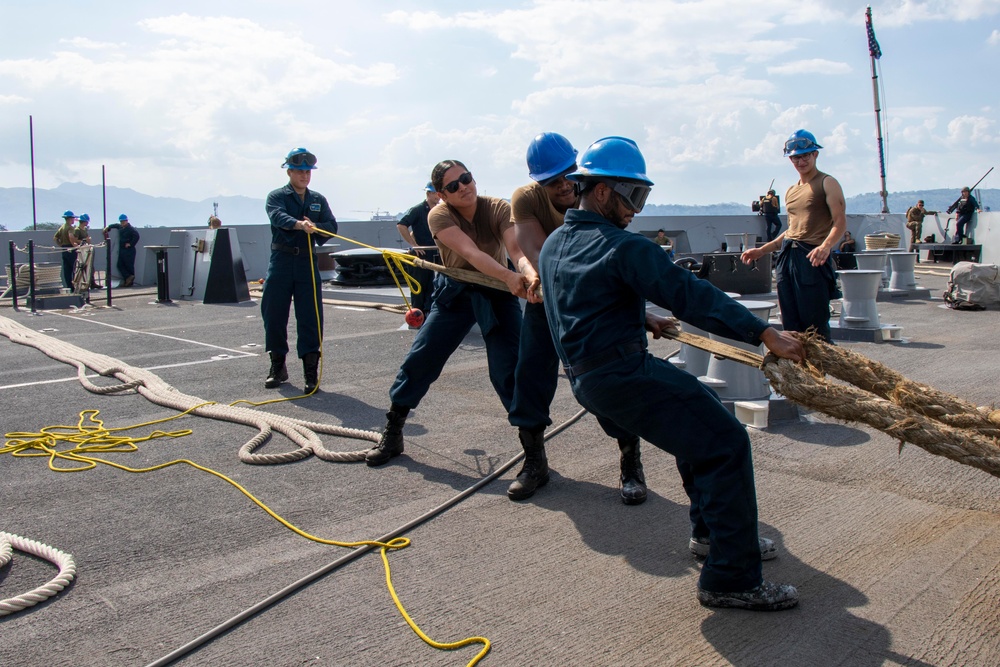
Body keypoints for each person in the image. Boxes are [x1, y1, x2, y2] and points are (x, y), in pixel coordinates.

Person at [538, 136, 804, 610]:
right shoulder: (623, 247)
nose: (635, 210)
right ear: (600, 192)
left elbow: (580, 298)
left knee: (696, 427)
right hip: (623, 374)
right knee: (725, 443)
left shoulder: (557, 243)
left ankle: (710, 537)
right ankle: (731, 578)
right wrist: (763, 334)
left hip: (588, 379)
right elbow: (691, 295)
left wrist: (642, 317)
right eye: (631, 196)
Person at [505, 132, 648, 505]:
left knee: (605, 380)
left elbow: (610, 257)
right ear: (539, 183)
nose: (565, 185)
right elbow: (534, 249)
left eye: (569, 174)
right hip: (546, 299)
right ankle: (534, 462)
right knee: (530, 377)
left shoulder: (600, 194)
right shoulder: (526, 198)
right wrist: (536, 277)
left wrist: (642, 316)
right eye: (554, 181)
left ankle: (630, 459)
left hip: (594, 303)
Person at [366, 160, 532, 466]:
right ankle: (394, 430)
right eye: (453, 186)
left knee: (509, 369)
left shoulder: (497, 207)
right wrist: (509, 276)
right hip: (455, 291)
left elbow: (517, 251)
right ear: (442, 194)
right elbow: (471, 253)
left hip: (496, 293)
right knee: (421, 358)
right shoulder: (438, 215)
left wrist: (526, 274)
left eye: (465, 179)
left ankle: (535, 455)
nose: (463, 187)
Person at [741, 129, 845, 343]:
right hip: (788, 258)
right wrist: (762, 250)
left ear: (815, 154)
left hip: (812, 259)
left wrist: (826, 247)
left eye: (806, 155)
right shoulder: (791, 191)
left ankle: (819, 372)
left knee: (814, 325)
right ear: (790, 159)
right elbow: (791, 230)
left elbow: (840, 222)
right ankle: (797, 373)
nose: (801, 161)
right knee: (791, 324)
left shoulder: (827, 183)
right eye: (796, 157)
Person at [262, 147, 339, 393]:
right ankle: (278, 366)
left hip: (307, 262)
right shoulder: (277, 196)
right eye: (300, 171)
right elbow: (277, 217)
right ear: (290, 172)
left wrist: (316, 227)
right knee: (274, 314)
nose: (305, 176)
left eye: (308, 172)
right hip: (282, 261)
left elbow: (331, 225)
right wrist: (298, 224)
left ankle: (310, 372)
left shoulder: (317, 199)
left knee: (311, 316)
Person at [396, 182, 442, 318]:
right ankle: (417, 315)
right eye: (435, 194)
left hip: (436, 253)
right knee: (419, 286)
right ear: (428, 194)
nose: (438, 197)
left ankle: (429, 313)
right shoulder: (418, 210)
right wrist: (414, 245)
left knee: (434, 285)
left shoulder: (439, 211)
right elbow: (401, 225)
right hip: (421, 254)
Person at [104, 214, 141, 287]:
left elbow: (137, 236)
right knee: (120, 265)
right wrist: (108, 227)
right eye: (121, 221)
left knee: (129, 265)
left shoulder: (130, 229)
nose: (122, 223)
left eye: (123, 221)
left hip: (129, 250)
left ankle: (129, 280)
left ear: (127, 221)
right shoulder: (120, 227)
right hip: (122, 249)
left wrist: (130, 244)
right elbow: (115, 225)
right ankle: (128, 277)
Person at [53, 211, 80, 290]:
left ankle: (69, 286)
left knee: (67, 269)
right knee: (75, 268)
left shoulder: (62, 227)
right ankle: (75, 286)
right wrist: (75, 245)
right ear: (69, 219)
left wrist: (60, 245)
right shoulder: (70, 227)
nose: (73, 220)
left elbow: (55, 238)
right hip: (70, 248)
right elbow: (71, 237)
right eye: (73, 218)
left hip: (64, 248)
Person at [74, 213, 102, 289]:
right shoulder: (77, 230)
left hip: (87, 250)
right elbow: (75, 240)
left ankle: (91, 282)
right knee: (83, 268)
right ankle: (83, 284)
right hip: (82, 251)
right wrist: (85, 241)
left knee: (90, 268)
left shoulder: (84, 230)